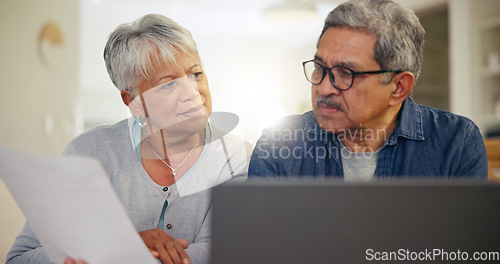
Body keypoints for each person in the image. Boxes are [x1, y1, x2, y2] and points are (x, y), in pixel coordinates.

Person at [7, 14, 252, 264]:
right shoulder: (88, 152)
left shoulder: (238, 159)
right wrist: (124, 245)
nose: (191, 93)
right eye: (167, 85)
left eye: (195, 74)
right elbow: (21, 257)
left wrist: (107, 253)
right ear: (133, 102)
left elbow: (224, 253)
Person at [249, 0, 487, 179]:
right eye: (320, 67)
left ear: (398, 87)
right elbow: (259, 241)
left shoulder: (456, 142)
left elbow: (463, 244)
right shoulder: (278, 144)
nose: (323, 87)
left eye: (346, 73)